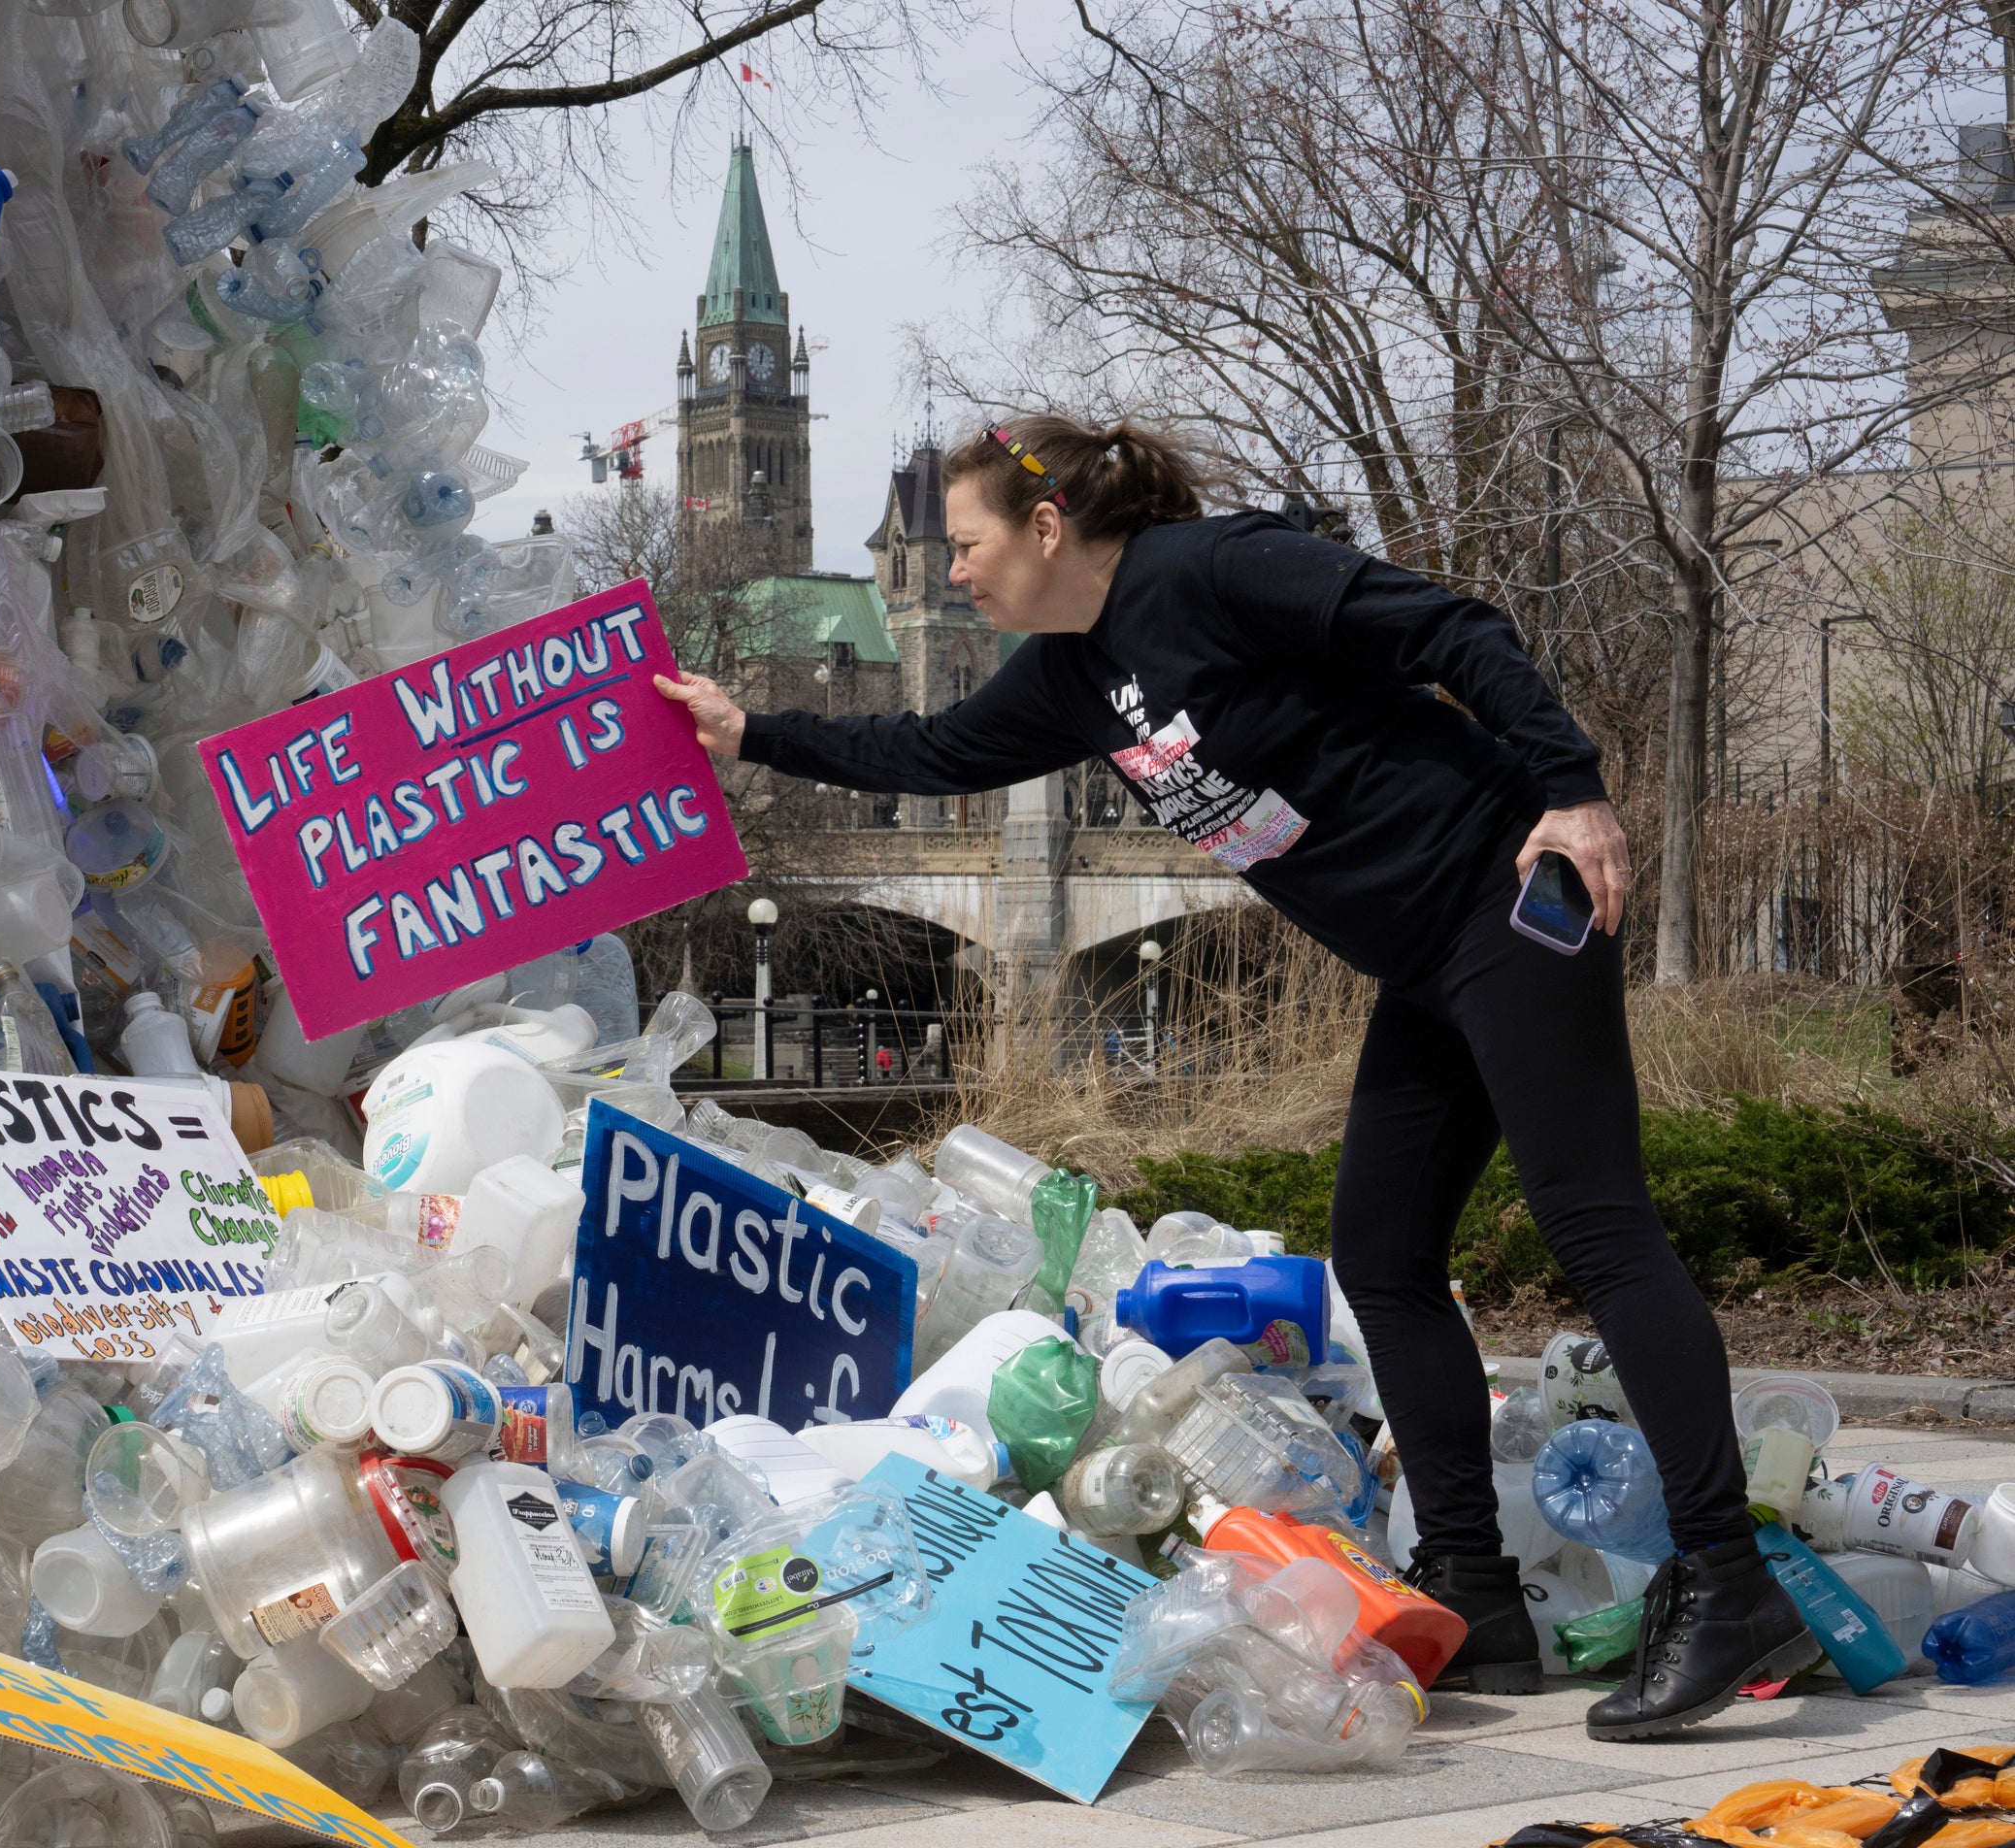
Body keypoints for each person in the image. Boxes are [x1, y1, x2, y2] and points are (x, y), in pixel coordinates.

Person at [655, 414, 1809, 1741]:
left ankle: (1732, 1581)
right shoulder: (1073, 675)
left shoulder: (1210, 571)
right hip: (1424, 963)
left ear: (1046, 525)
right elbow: (928, 751)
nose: (953, 572)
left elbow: (1454, 630)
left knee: (1599, 1231)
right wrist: (745, 730)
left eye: (965, 544)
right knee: (1378, 1254)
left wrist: (1575, 791)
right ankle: (1478, 1593)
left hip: (1503, 901)